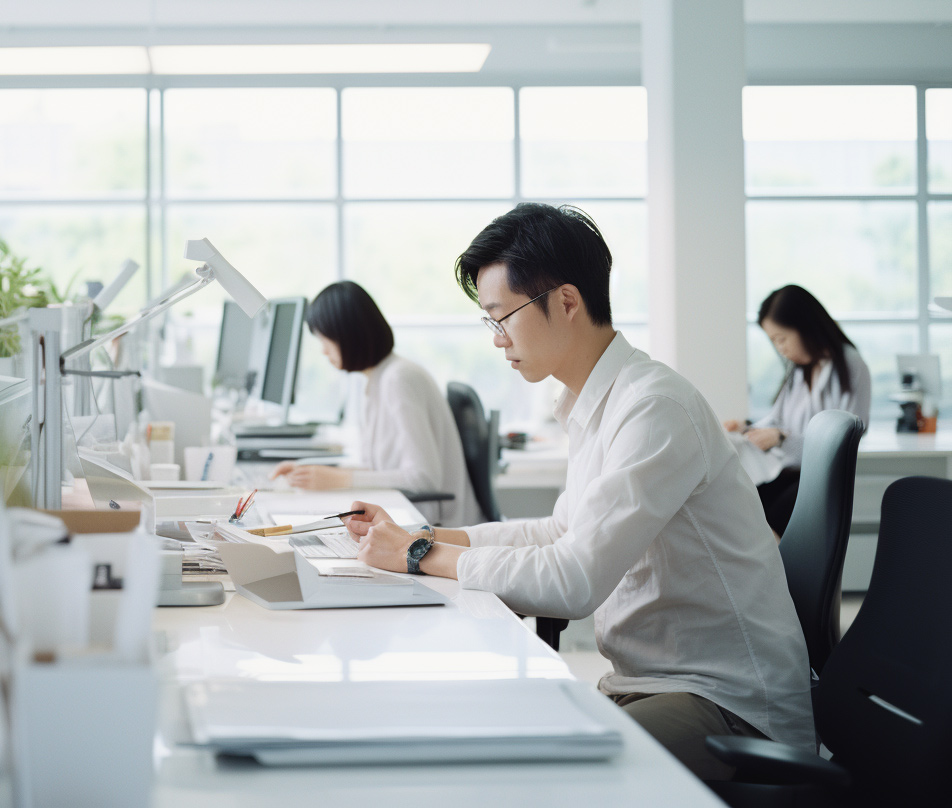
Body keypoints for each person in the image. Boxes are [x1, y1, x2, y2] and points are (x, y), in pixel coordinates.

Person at [344, 203, 814, 781]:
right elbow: (559, 532)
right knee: (476, 739)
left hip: (729, 705)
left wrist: (419, 557)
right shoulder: (597, 402)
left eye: (502, 317)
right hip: (648, 685)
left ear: (566, 303)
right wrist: (425, 536)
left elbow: (573, 581)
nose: (498, 340)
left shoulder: (653, 407)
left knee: (545, 778)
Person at [269, 281, 478, 526]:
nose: (323, 351)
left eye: (324, 340)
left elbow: (424, 480)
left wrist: (338, 479)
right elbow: (378, 469)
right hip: (409, 515)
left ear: (346, 334)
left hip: (434, 526)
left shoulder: (399, 379)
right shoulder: (377, 380)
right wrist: (310, 471)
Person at [723, 285, 871, 537]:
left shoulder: (849, 364)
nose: (780, 348)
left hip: (817, 479)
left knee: (758, 520)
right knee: (732, 498)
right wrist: (747, 427)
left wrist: (782, 438)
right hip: (788, 472)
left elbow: (837, 441)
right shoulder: (799, 371)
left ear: (805, 327)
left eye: (782, 339)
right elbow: (777, 419)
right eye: (774, 342)